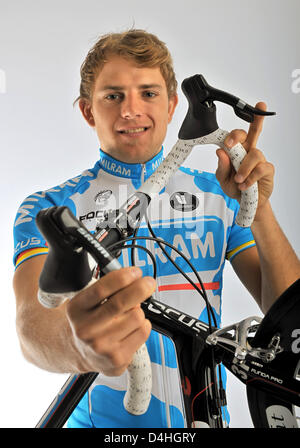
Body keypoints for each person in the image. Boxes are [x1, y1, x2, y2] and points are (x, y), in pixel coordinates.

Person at [13, 29, 300, 428]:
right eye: (113, 96)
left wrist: (260, 207)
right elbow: (32, 327)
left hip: (203, 418)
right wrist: (79, 347)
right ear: (87, 111)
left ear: (172, 107)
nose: (131, 110)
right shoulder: (50, 208)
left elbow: (287, 317)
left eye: (148, 93)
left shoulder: (218, 195)